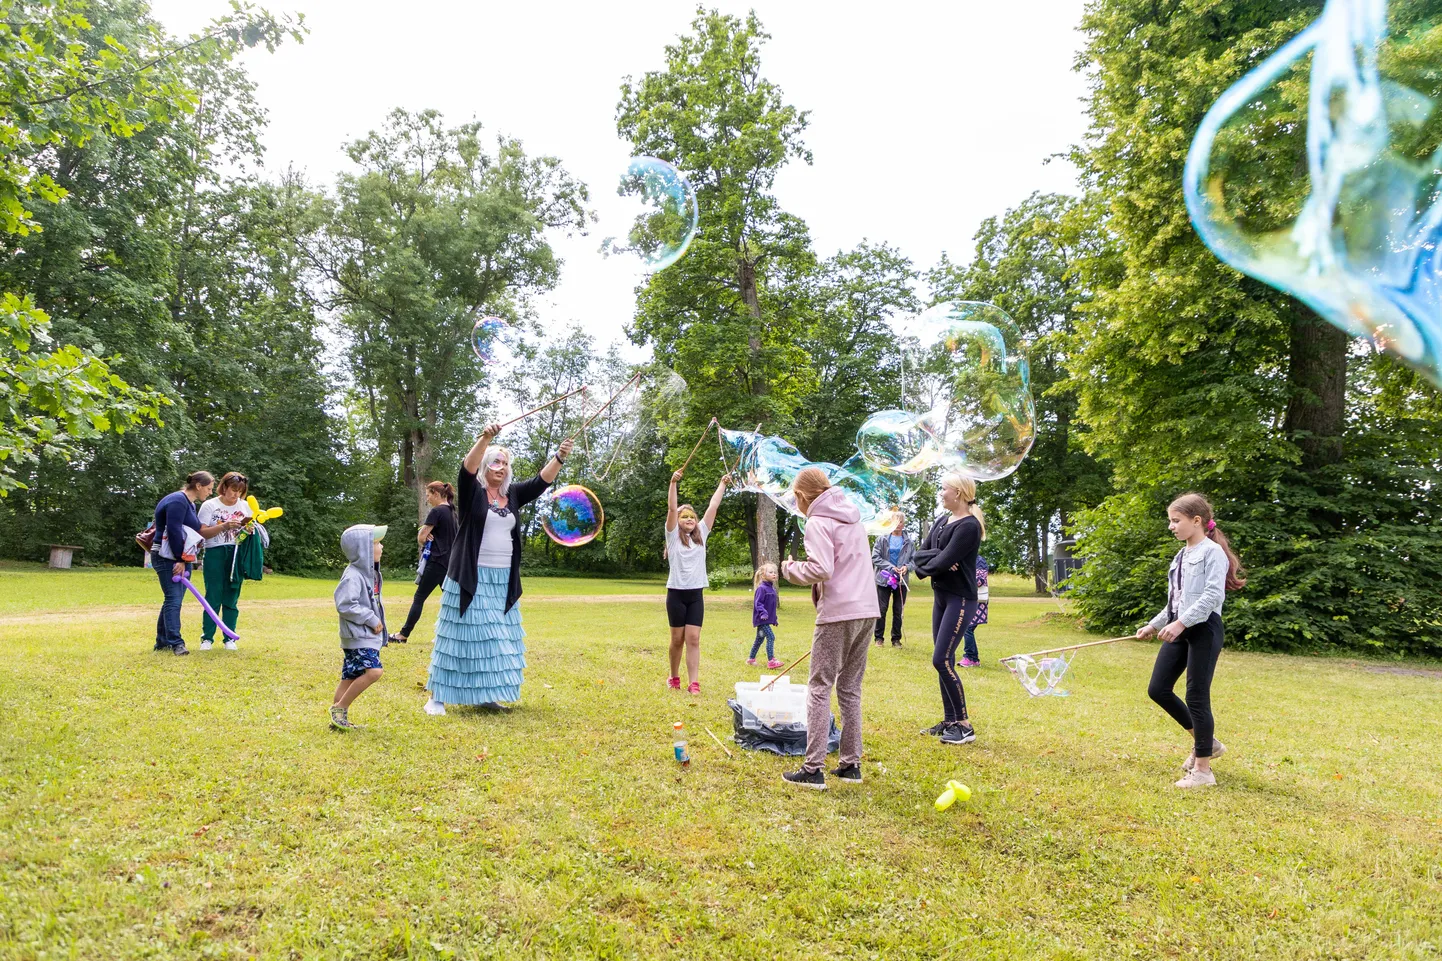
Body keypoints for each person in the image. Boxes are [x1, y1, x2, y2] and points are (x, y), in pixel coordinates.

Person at [423, 424, 573, 715]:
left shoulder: (513, 495)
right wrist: (485, 439)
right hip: (471, 575)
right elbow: (466, 469)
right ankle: (436, 697)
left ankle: (487, 695)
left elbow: (541, 482)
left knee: (495, 639)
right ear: (485, 466)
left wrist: (559, 456)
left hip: (502, 579)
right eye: (495, 461)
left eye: (505, 463)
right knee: (457, 636)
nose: (500, 467)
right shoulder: (472, 493)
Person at [1136, 492, 1246, 789]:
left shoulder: (1213, 553)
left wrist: (1181, 623)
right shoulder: (1181, 555)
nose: (1171, 526)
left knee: (1197, 696)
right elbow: (1176, 601)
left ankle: (1202, 770)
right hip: (1179, 626)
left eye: (1176, 520)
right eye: (1170, 521)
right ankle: (1207, 742)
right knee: (1158, 689)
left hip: (1204, 630)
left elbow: (1212, 596)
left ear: (1196, 521)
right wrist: (1153, 624)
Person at [779, 467, 879, 790]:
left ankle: (813, 769)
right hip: (867, 612)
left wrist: (790, 569)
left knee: (819, 687)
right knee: (850, 688)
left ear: (801, 497)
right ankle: (851, 765)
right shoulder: (854, 520)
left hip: (838, 613)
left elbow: (822, 567)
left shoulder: (817, 522)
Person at [913, 473, 986, 746]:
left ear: (958, 492)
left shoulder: (968, 526)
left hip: (960, 599)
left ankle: (965, 725)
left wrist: (939, 560)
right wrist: (937, 559)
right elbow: (920, 556)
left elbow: (939, 561)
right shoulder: (943, 521)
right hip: (941, 596)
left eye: (944, 489)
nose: (940, 493)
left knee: (940, 659)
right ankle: (950, 720)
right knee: (946, 659)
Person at [152, 471, 242, 656]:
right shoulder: (177, 501)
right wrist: (180, 559)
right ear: (198, 486)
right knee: (173, 600)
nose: (210, 492)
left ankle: (162, 642)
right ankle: (176, 643)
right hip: (167, 556)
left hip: (180, 556)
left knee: (172, 598)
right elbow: (174, 531)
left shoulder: (189, 504)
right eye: (208, 488)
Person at [664, 468, 728, 694]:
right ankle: (673, 677)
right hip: (676, 594)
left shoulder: (702, 533)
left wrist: (722, 483)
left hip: (695, 595)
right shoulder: (672, 536)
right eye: (685, 517)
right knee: (677, 640)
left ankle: (694, 682)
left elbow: (713, 507)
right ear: (678, 521)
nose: (689, 519)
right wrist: (673, 483)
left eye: (692, 516)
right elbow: (672, 507)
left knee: (693, 639)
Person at [332, 524, 388, 730]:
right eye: (377, 543)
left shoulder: (367, 574)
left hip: (360, 636)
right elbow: (345, 604)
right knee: (374, 671)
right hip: (358, 636)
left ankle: (338, 718)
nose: (381, 547)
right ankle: (340, 707)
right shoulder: (353, 575)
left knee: (350, 677)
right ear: (363, 549)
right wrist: (371, 619)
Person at [389, 481, 457, 644]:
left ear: (435, 493)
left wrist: (425, 537)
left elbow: (421, 537)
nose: (427, 499)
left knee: (419, 597)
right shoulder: (453, 512)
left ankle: (403, 635)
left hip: (436, 561)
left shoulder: (437, 511)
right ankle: (449, 635)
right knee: (451, 600)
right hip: (451, 562)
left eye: (428, 495)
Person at [196, 472, 254, 650]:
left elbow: (249, 529)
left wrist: (249, 530)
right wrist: (224, 526)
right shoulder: (209, 505)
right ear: (224, 487)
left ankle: (229, 638)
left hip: (236, 552)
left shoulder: (245, 506)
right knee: (213, 594)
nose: (235, 494)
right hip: (215, 551)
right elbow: (201, 532)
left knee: (232, 594)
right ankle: (207, 638)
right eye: (233, 490)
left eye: (240, 491)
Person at [871, 511, 914, 647]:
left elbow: (915, 560)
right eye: (895, 521)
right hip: (884, 580)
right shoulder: (882, 539)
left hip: (901, 580)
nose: (898, 524)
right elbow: (875, 557)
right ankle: (879, 638)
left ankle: (896, 639)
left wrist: (907, 567)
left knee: (898, 610)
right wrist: (890, 567)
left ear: (903, 524)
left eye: (900, 521)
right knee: (881, 609)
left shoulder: (909, 542)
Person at [749, 563, 782, 669]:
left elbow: (771, 606)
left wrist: (774, 619)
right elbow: (758, 603)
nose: (774, 574)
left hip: (767, 619)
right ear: (763, 575)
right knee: (771, 637)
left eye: (775, 572)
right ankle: (771, 660)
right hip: (762, 619)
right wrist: (763, 613)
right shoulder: (761, 589)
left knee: (759, 639)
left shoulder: (772, 589)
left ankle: (751, 659)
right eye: (770, 572)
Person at [960, 555, 990, 667]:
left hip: (977, 602)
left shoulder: (979, 560)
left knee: (967, 627)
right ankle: (972, 657)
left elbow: (980, 581)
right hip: (967, 600)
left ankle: (971, 657)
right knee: (966, 628)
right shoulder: (964, 559)